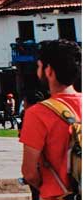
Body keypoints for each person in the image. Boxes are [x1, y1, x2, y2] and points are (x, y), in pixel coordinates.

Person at [21, 39, 80, 200]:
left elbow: (29, 172)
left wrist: (49, 187)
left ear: (49, 71)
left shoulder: (38, 113)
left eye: (39, 66)